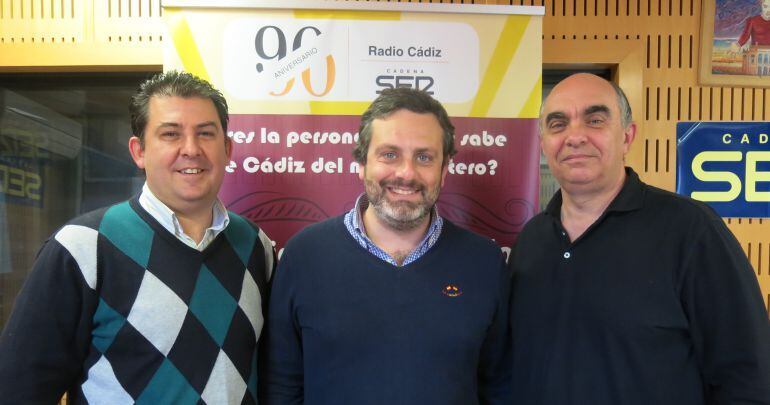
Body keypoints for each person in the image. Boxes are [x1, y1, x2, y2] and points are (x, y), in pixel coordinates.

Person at [0, 71, 275, 404]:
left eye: (205, 133)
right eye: (171, 134)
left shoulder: (256, 245)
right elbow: (19, 388)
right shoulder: (84, 246)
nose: (191, 149)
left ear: (227, 148)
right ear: (139, 151)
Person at [508, 73, 770, 404]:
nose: (575, 136)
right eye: (558, 124)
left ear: (627, 137)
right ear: (543, 142)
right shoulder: (532, 240)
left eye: (596, 119)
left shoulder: (692, 230)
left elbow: (748, 376)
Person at [262, 88, 511, 404]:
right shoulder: (303, 256)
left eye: (424, 157)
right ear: (362, 163)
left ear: (444, 170)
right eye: (389, 154)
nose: (406, 173)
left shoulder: (484, 262)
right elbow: (281, 387)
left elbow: (499, 387)